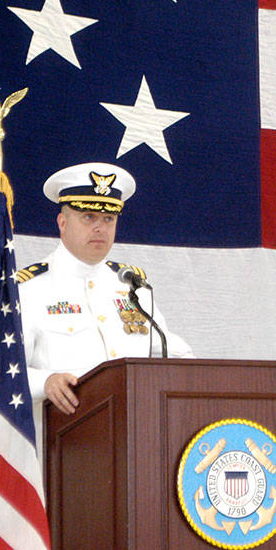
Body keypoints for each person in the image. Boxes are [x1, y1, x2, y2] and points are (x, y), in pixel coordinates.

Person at [18, 162, 191, 426]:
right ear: (62, 223)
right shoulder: (29, 289)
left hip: (135, 433)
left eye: (109, 219)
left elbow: (176, 355)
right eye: (88, 217)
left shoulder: (132, 287)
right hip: (63, 438)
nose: (100, 227)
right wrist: (46, 382)